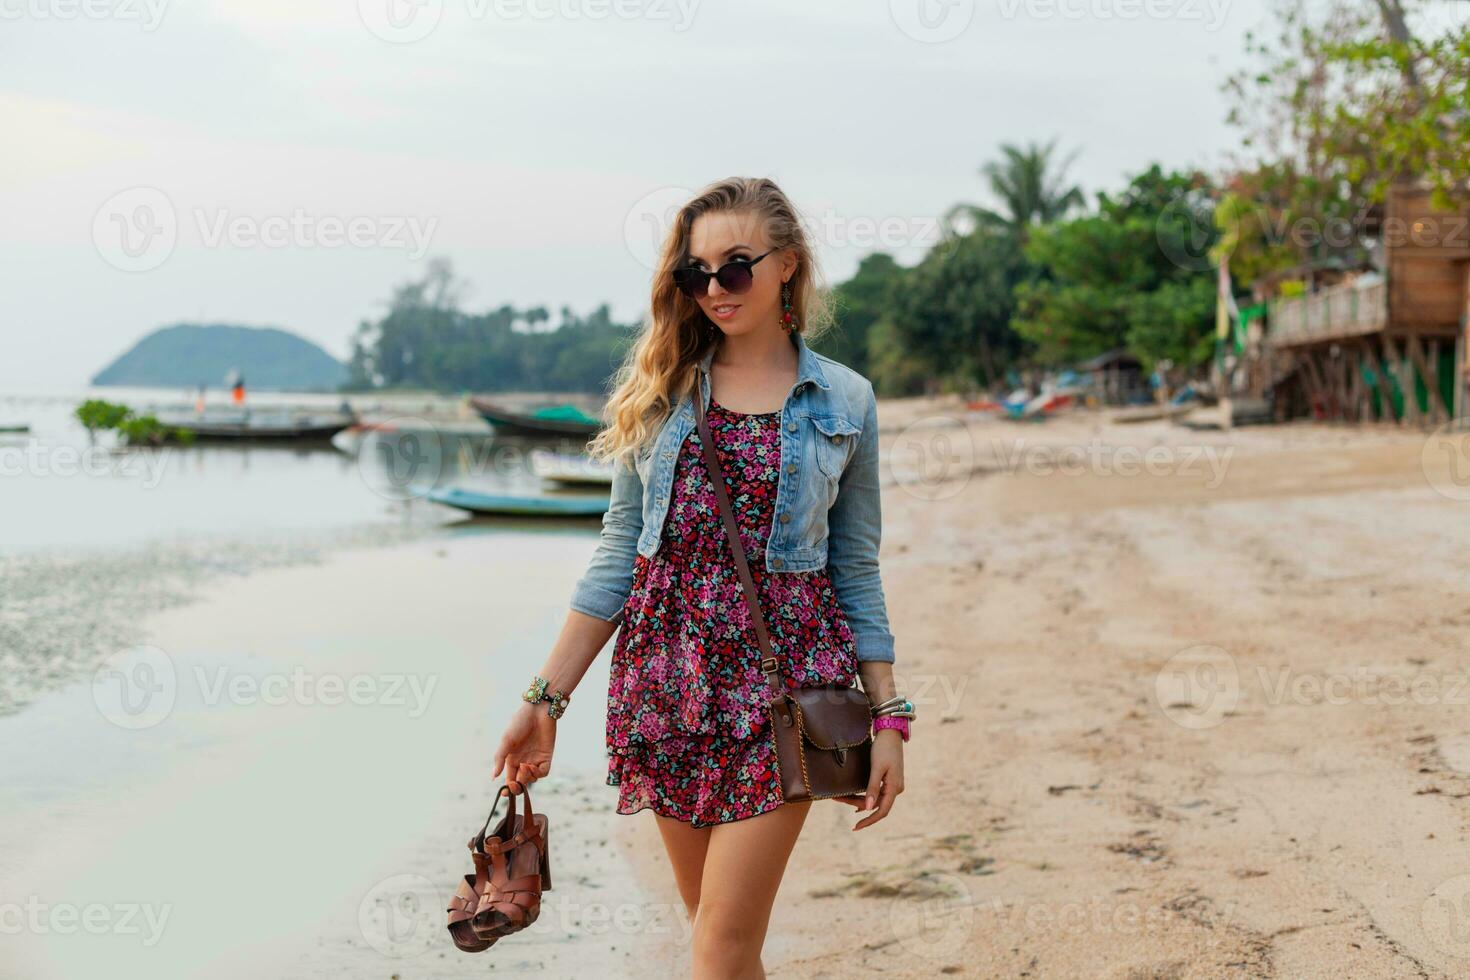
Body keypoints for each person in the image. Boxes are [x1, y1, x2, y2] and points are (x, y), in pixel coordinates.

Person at [491, 176, 907, 977]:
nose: (714, 288)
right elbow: (620, 555)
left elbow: (855, 568)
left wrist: (890, 718)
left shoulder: (845, 399)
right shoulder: (662, 393)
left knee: (717, 949)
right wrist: (543, 700)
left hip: (783, 692)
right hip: (667, 687)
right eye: (696, 272)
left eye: (736, 266)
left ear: (787, 265)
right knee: (721, 941)